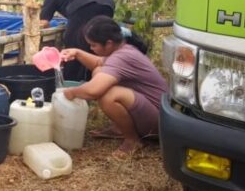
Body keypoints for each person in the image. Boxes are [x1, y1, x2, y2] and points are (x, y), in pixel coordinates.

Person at [60, 16, 167, 160]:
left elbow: (93, 91)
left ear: (109, 43)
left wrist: (72, 92)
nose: (91, 49)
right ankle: (119, 129)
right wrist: (77, 53)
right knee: (99, 71)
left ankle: (132, 140)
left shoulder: (122, 57)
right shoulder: (123, 50)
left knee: (108, 96)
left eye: (93, 45)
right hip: (154, 111)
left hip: (159, 123)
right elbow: (98, 62)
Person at [40, 0, 115, 82]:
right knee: (97, 42)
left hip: (85, 5)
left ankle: (71, 82)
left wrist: (45, 41)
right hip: (108, 4)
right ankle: (96, 79)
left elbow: (43, 23)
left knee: (73, 44)